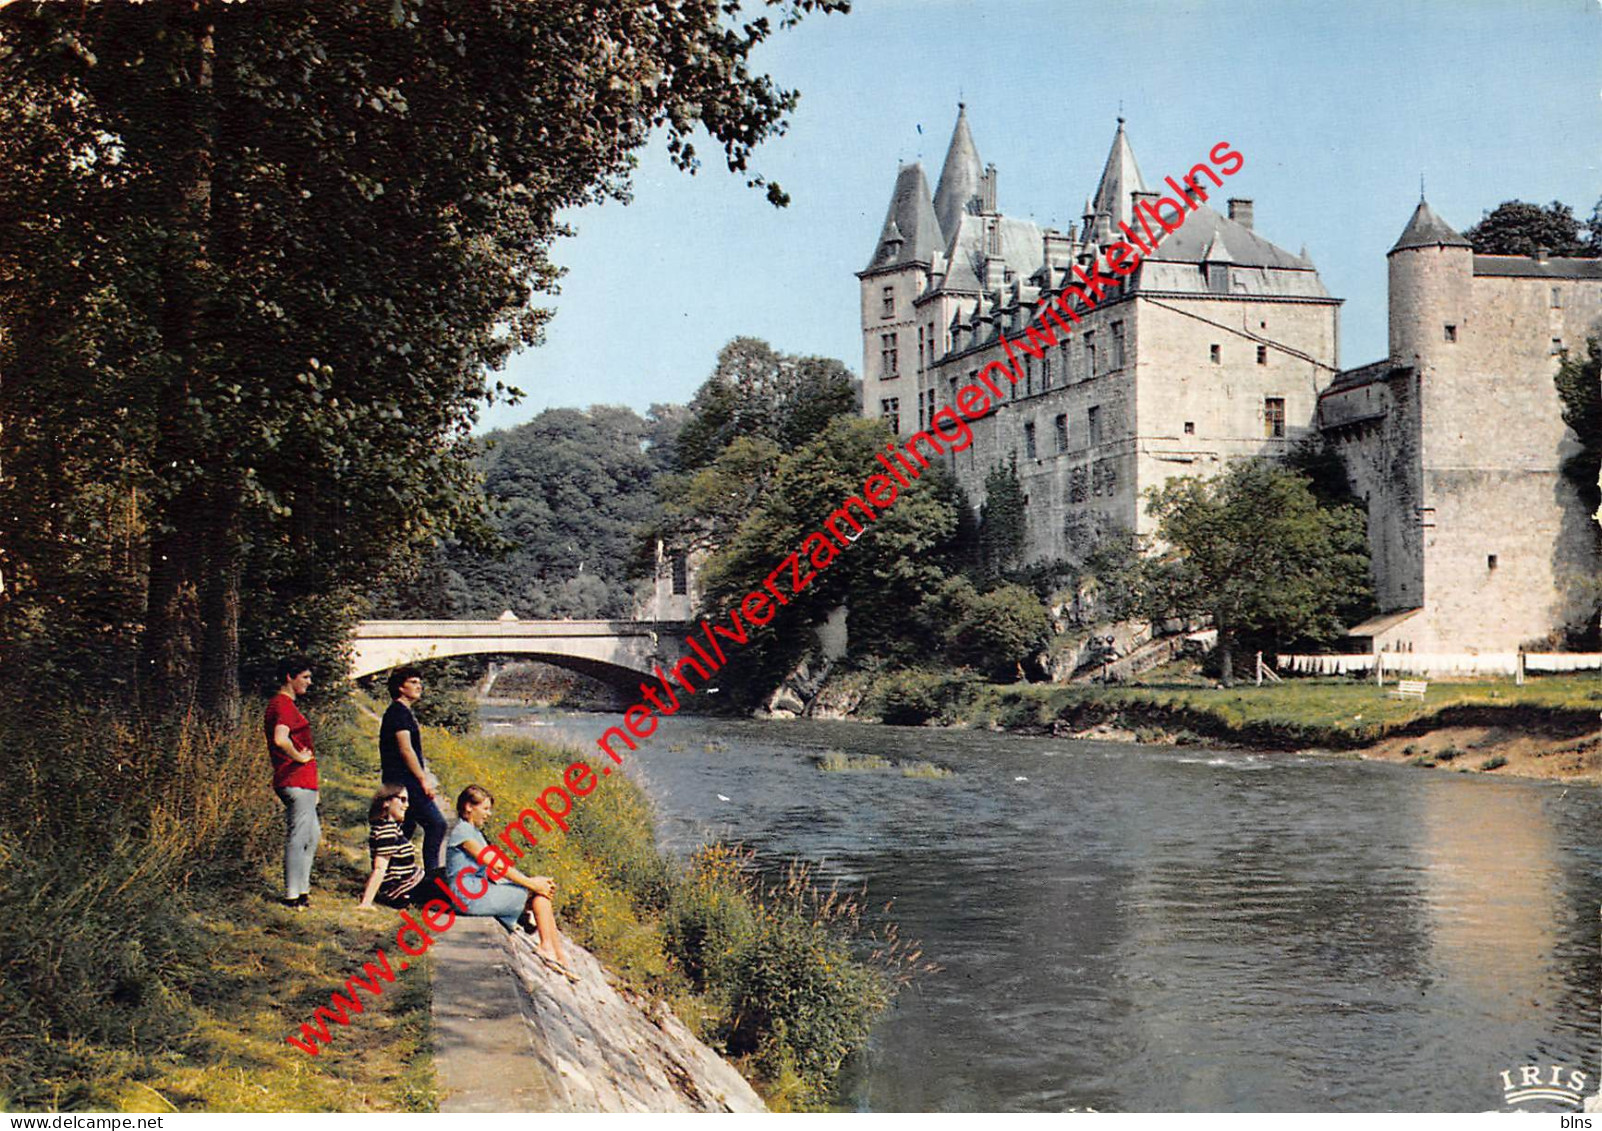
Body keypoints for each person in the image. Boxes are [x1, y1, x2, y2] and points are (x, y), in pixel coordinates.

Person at [446, 784, 578, 982]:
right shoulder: (463, 833)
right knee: (537, 891)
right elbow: (496, 865)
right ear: (468, 807)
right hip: (468, 896)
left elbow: (496, 868)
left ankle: (558, 954)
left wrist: (532, 882)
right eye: (485, 808)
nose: (489, 814)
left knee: (542, 890)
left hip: (477, 890)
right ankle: (547, 948)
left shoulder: (474, 832)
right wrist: (531, 884)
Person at [379, 666, 447, 873]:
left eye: (419, 682)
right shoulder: (399, 713)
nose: (420, 686)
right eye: (414, 682)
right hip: (405, 782)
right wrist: (423, 779)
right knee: (437, 825)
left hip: (398, 781)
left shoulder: (400, 712)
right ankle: (432, 879)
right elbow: (406, 749)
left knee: (403, 829)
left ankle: (390, 874)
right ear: (400, 687)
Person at [265, 655, 320, 909]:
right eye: (305, 677)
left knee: (312, 836)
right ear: (290, 677)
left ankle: (303, 890)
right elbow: (280, 739)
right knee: (299, 837)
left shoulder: (285, 705)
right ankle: (292, 895)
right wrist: (300, 758)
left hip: (304, 782)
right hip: (294, 779)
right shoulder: (283, 704)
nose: (309, 682)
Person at [358, 784, 426, 909]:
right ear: (386, 802)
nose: (407, 805)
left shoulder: (390, 828)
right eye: (402, 800)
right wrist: (366, 902)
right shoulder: (386, 832)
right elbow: (379, 868)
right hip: (404, 889)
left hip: (411, 883)